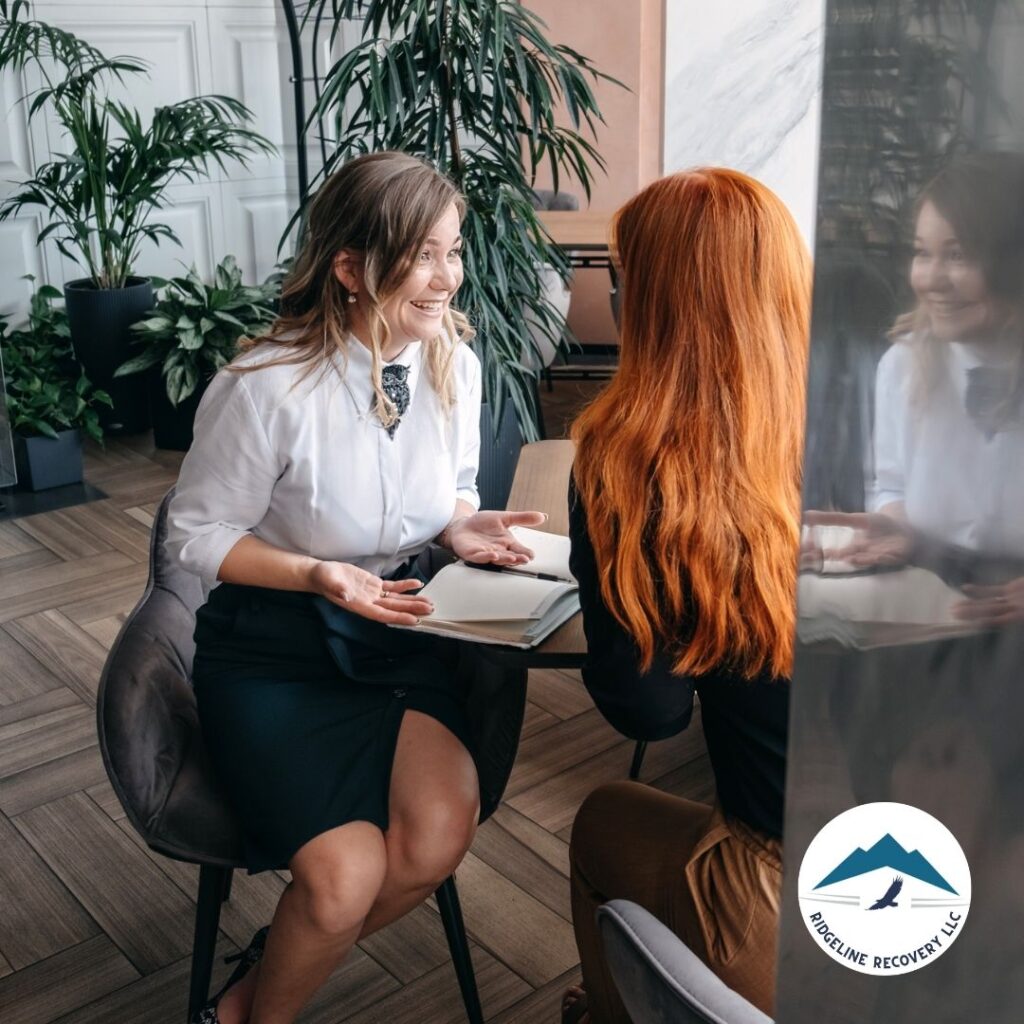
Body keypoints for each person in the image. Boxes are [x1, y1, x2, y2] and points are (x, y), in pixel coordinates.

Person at [166, 151, 544, 1024]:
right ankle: (264, 1010)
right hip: (273, 647)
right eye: (422, 255)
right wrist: (315, 574)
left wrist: (456, 525)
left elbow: (451, 484)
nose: (446, 278)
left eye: (453, 252)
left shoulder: (454, 365)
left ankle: (254, 986)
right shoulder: (263, 387)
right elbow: (194, 536)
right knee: (345, 879)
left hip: (396, 631)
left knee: (437, 836)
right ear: (349, 265)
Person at [563, 168, 812, 1023]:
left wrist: (609, 574)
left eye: (621, 281)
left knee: (602, 819)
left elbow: (651, 710)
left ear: (653, 307)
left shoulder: (624, 467)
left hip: (795, 899)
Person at [809, 153, 1024, 623]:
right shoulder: (902, 365)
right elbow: (888, 482)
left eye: (959, 255)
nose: (930, 280)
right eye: (922, 253)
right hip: (937, 606)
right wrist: (901, 529)